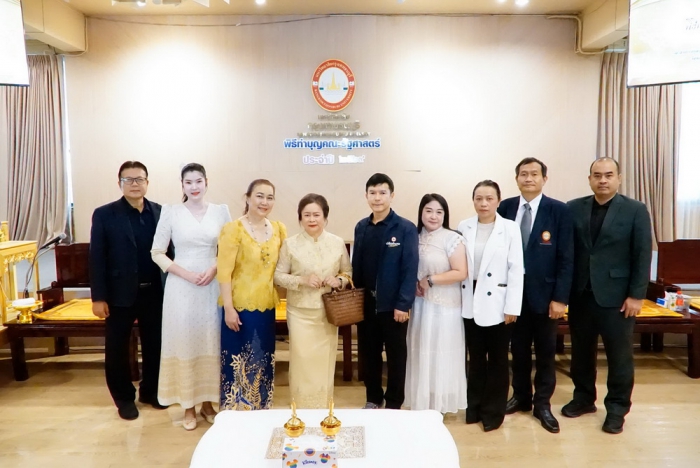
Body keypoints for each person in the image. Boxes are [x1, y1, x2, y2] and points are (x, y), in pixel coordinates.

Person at [563, 157, 652, 434]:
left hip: (617, 298)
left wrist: (636, 295)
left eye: (608, 175)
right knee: (581, 353)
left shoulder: (635, 210)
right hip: (581, 295)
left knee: (619, 357)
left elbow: (642, 254)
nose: (602, 180)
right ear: (589, 179)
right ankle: (583, 399)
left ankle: (616, 409)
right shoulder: (573, 208)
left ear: (619, 178)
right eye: (597, 175)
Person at [151, 163, 232, 430]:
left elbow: (229, 249)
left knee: (210, 340)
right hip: (181, 286)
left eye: (198, 181)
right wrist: (185, 273)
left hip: (212, 284)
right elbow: (157, 252)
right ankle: (188, 406)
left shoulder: (221, 211)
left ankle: (208, 403)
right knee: (185, 341)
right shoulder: (171, 212)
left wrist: (214, 268)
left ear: (207, 181)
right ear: (182, 185)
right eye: (188, 182)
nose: (194, 187)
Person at [497, 158, 574, 434]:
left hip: (546, 297)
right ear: (516, 178)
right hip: (512, 297)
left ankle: (542, 404)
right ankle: (521, 396)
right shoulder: (505, 208)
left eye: (534, 174)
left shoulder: (559, 210)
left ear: (544, 179)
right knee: (517, 350)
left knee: (545, 353)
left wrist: (561, 298)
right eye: (523, 174)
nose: (528, 178)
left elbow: (566, 257)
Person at [89, 161, 168, 420]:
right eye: (128, 179)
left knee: (156, 345)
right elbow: (96, 258)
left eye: (139, 179)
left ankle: (151, 391)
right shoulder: (104, 214)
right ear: (119, 183)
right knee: (117, 349)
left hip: (154, 293)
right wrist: (98, 297)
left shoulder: (160, 212)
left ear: (147, 182)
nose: (135, 184)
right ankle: (123, 398)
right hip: (118, 295)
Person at [274, 193, 352, 408]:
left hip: (328, 313)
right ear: (300, 218)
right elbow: (278, 276)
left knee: (324, 362)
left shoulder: (337, 243)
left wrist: (338, 280)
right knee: (302, 361)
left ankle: (324, 407)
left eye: (316, 215)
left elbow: (347, 272)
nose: (311, 219)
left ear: (325, 217)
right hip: (300, 312)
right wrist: (302, 280)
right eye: (306, 215)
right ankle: (299, 408)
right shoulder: (290, 244)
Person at [458, 180, 524, 432]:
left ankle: (493, 413)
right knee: (475, 359)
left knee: (497, 360)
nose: (483, 203)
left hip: (499, 302)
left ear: (498, 200)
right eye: (478, 198)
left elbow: (516, 269)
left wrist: (512, 307)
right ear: (473, 200)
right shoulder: (464, 226)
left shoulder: (510, 228)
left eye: (489, 198)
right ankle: (473, 407)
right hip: (470, 299)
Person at [217, 179, 286, 411]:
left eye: (269, 197)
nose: (264, 202)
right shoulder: (233, 229)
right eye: (259, 196)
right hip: (238, 309)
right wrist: (228, 309)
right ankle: (234, 415)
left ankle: (261, 412)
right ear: (247, 198)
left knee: (262, 362)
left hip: (266, 308)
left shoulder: (278, 229)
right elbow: (224, 272)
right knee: (236, 363)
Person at [352, 173, 419, 410]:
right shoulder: (361, 227)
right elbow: (357, 266)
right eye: (372, 193)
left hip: (393, 306)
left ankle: (393, 402)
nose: (377, 198)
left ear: (392, 195)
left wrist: (403, 304)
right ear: (366, 196)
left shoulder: (405, 228)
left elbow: (410, 269)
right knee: (369, 354)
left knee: (396, 356)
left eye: (382, 193)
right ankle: (372, 397)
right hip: (367, 304)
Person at [405, 194, 468, 413]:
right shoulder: (413, 236)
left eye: (439, 212)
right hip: (420, 306)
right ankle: (423, 400)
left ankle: (441, 404)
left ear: (445, 215)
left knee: (442, 353)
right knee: (421, 351)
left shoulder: (452, 238)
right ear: (421, 212)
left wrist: (430, 280)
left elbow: (461, 272)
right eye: (429, 211)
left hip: (445, 307)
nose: (434, 216)